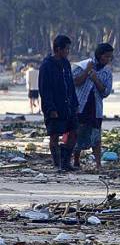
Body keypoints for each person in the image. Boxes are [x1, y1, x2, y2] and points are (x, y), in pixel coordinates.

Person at [39, 35, 79, 171]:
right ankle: (57, 164)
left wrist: (75, 103)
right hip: (54, 107)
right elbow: (44, 89)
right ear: (58, 49)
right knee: (55, 135)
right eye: (66, 49)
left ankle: (66, 162)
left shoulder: (66, 63)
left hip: (69, 106)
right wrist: (50, 108)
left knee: (74, 133)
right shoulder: (46, 66)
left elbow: (71, 85)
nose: (68, 51)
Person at [72, 43, 114, 170]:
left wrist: (95, 79)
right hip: (81, 106)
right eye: (106, 57)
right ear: (99, 55)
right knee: (77, 133)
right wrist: (87, 71)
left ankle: (98, 164)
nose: (108, 60)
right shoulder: (83, 65)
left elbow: (106, 92)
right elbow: (75, 81)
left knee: (96, 136)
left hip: (96, 108)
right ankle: (76, 160)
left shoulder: (107, 72)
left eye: (110, 57)